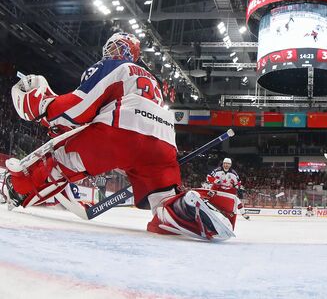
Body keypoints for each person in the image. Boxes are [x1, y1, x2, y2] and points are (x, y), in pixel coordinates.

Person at [2, 32, 236, 241]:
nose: (113, 52)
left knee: (61, 159)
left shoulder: (112, 66)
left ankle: (16, 189)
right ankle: (184, 211)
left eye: (118, 47)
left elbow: (79, 107)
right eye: (112, 47)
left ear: (129, 53)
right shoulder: (153, 80)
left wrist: (46, 108)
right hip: (164, 142)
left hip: (121, 131)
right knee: (163, 198)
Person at [205, 157, 248, 222]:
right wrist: (215, 180)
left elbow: (238, 182)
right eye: (225, 163)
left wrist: (238, 187)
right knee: (209, 196)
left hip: (229, 190)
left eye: (228, 164)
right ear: (223, 163)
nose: (226, 165)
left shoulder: (234, 173)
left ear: (230, 165)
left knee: (236, 200)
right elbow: (208, 177)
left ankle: (244, 214)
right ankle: (206, 209)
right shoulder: (217, 170)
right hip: (218, 188)